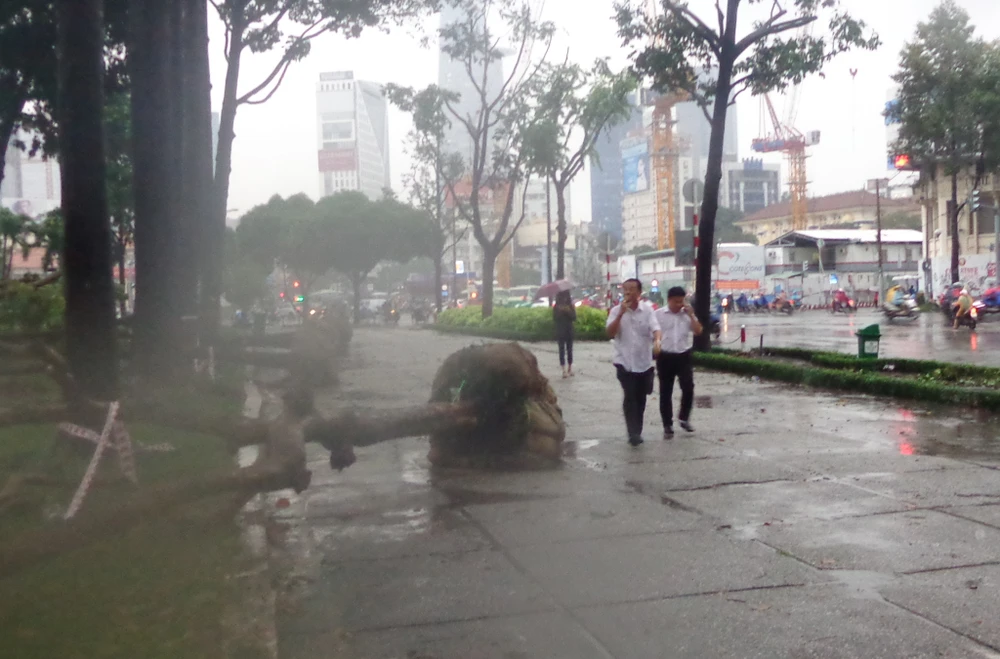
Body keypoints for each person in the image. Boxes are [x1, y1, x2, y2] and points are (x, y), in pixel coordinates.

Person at [606, 278, 662, 447]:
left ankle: (638, 428)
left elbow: (656, 328)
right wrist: (621, 314)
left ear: (639, 292)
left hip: (644, 362)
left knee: (641, 397)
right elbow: (610, 333)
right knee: (630, 396)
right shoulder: (616, 311)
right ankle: (633, 433)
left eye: (631, 289)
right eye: (625, 289)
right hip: (624, 362)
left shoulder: (648, 310)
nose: (628, 292)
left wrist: (657, 341)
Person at [654, 287, 703, 438]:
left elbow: (698, 331)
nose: (679, 304)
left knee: (688, 387)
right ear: (669, 300)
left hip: (683, 355)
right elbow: (652, 333)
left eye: (681, 301)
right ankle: (667, 424)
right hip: (665, 356)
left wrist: (692, 315)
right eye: (676, 302)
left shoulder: (687, 314)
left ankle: (684, 417)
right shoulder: (658, 315)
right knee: (665, 391)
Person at [553, 290, 576, 378]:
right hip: (560, 330)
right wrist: (560, 311)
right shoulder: (556, 306)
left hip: (569, 330)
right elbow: (555, 318)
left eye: (566, 296)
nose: (564, 298)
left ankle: (570, 368)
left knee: (570, 349)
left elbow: (574, 317)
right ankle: (563, 370)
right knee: (561, 350)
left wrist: (568, 311)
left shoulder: (570, 306)